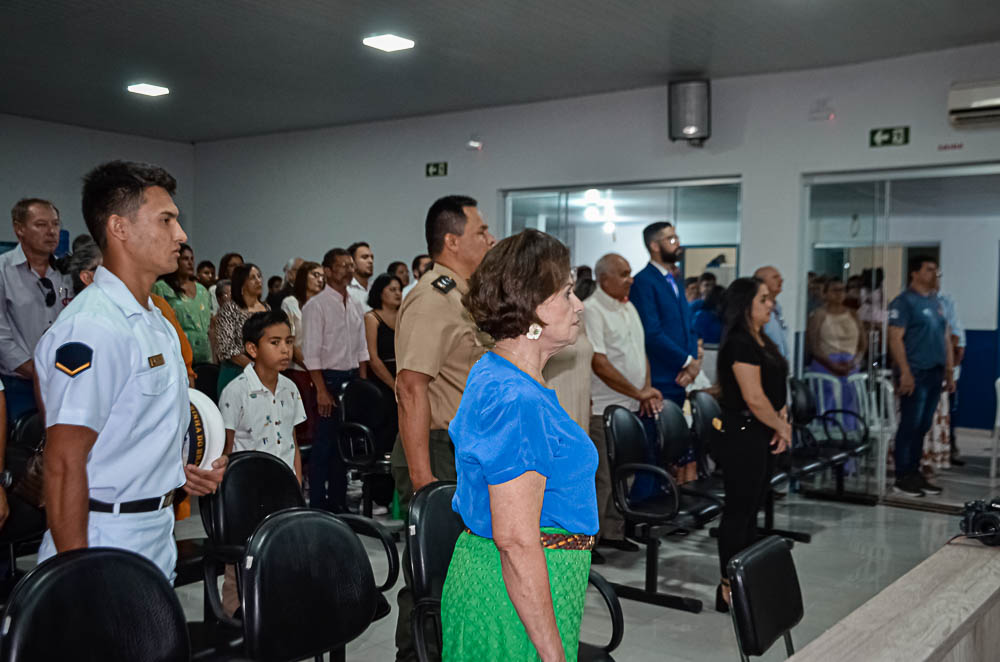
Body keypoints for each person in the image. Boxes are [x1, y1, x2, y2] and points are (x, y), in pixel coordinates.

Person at [34, 160, 226, 581]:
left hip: (154, 529)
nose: (181, 234)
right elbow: (65, 461)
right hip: (101, 536)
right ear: (119, 228)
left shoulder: (155, 317)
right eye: (167, 220)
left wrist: (179, 474)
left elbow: (133, 431)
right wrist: (77, 577)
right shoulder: (94, 326)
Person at [443, 229, 597, 661]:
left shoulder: (503, 374)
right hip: (512, 593)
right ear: (532, 306)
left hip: (530, 584)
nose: (579, 304)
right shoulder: (516, 398)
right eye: (567, 293)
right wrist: (552, 653)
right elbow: (514, 540)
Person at [391, 195, 494, 661]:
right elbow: (411, 387)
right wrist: (421, 484)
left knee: (461, 575)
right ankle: (414, 656)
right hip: (434, 450)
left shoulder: (461, 296)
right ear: (452, 241)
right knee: (431, 576)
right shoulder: (432, 300)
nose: (489, 240)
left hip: (461, 449)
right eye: (481, 232)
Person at [217, 309, 306, 615]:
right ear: (252, 349)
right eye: (275, 342)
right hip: (246, 495)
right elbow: (225, 451)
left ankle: (276, 618)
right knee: (241, 566)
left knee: (280, 558)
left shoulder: (290, 389)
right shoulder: (235, 392)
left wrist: (297, 486)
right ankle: (236, 621)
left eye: (289, 341)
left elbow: (292, 441)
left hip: (284, 493)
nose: (285, 349)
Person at [714, 277, 791, 612]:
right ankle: (727, 586)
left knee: (752, 510)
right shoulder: (740, 343)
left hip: (763, 432)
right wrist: (782, 428)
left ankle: (745, 578)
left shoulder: (763, 341)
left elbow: (776, 390)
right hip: (743, 434)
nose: (770, 304)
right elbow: (754, 398)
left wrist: (781, 422)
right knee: (738, 511)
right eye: (763, 299)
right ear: (746, 305)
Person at [584, 253, 662, 558]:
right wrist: (636, 391)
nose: (630, 278)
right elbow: (600, 363)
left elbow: (639, 352)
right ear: (604, 279)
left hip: (630, 406)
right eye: (624, 273)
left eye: (629, 273)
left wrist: (645, 390)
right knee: (602, 478)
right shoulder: (592, 311)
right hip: (603, 408)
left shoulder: (629, 306)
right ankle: (593, 541)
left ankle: (615, 532)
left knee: (625, 472)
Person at [301, 247, 368, 512]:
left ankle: (338, 501)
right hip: (327, 378)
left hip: (351, 378)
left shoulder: (355, 303)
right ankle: (318, 502)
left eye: (351, 265)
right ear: (327, 271)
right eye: (342, 265)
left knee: (344, 445)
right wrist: (320, 390)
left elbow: (362, 348)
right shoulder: (316, 306)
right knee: (324, 445)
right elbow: (311, 354)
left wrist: (362, 385)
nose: (349, 270)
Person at [0, 198, 72, 421]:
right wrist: (38, 373)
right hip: (18, 384)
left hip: (66, 380)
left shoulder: (67, 272)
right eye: (41, 225)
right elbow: (2, 338)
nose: (51, 232)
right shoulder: (3, 271)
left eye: (55, 224)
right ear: (19, 229)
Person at [888, 255, 953, 497]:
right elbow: (895, 338)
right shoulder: (904, 302)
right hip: (915, 372)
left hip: (935, 372)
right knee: (910, 424)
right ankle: (902, 476)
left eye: (936, 270)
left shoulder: (936, 302)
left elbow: (945, 337)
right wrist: (904, 372)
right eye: (929, 269)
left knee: (923, 425)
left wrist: (949, 370)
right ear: (914, 273)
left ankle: (915, 472)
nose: (934, 274)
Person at [629, 222, 700, 407]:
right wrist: (686, 361)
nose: (677, 244)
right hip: (659, 379)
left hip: (682, 376)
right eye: (671, 239)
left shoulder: (675, 279)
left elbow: (688, 325)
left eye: (676, 238)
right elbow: (651, 333)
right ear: (654, 246)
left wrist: (691, 364)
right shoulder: (643, 281)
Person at [364, 272, 404, 511]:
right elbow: (374, 359)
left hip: (404, 377)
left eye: (399, 288)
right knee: (385, 436)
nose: (398, 293)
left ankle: (397, 495)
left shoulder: (404, 316)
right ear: (380, 293)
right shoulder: (372, 317)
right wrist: (393, 385)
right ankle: (380, 497)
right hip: (382, 383)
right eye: (392, 289)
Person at [807, 278, 866, 420]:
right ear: (825, 293)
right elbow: (813, 344)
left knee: (849, 402)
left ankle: (849, 433)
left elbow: (863, 344)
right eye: (835, 290)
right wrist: (831, 365)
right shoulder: (819, 314)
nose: (839, 294)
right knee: (827, 401)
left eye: (842, 290)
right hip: (825, 364)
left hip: (849, 365)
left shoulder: (853, 314)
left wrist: (854, 362)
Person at [281, 261, 323, 447]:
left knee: (320, 422)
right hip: (299, 368)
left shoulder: (323, 304)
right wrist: (311, 366)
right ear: (303, 277)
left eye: (322, 276)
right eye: (315, 275)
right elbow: (290, 340)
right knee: (304, 422)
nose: (320, 279)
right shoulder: (291, 303)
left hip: (321, 370)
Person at [153, 243, 213, 364]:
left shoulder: (202, 289)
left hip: (205, 356)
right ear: (176, 260)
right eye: (185, 259)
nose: (190, 263)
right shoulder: (162, 288)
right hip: (178, 356)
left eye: (192, 259)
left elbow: (210, 326)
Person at [215, 263, 268, 395]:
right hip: (236, 371)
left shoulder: (267, 308)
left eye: (259, 276)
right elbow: (227, 348)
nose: (258, 280)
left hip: (265, 371)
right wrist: (255, 369)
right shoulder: (229, 309)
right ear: (241, 283)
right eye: (252, 278)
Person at [755, 265, 790, 360]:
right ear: (762, 283)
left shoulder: (777, 309)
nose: (781, 280)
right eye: (775, 277)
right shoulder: (756, 312)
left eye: (780, 277)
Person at [347, 241, 374, 312]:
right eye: (365, 257)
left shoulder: (377, 288)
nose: (370, 261)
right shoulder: (345, 290)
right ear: (352, 263)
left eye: (372, 257)